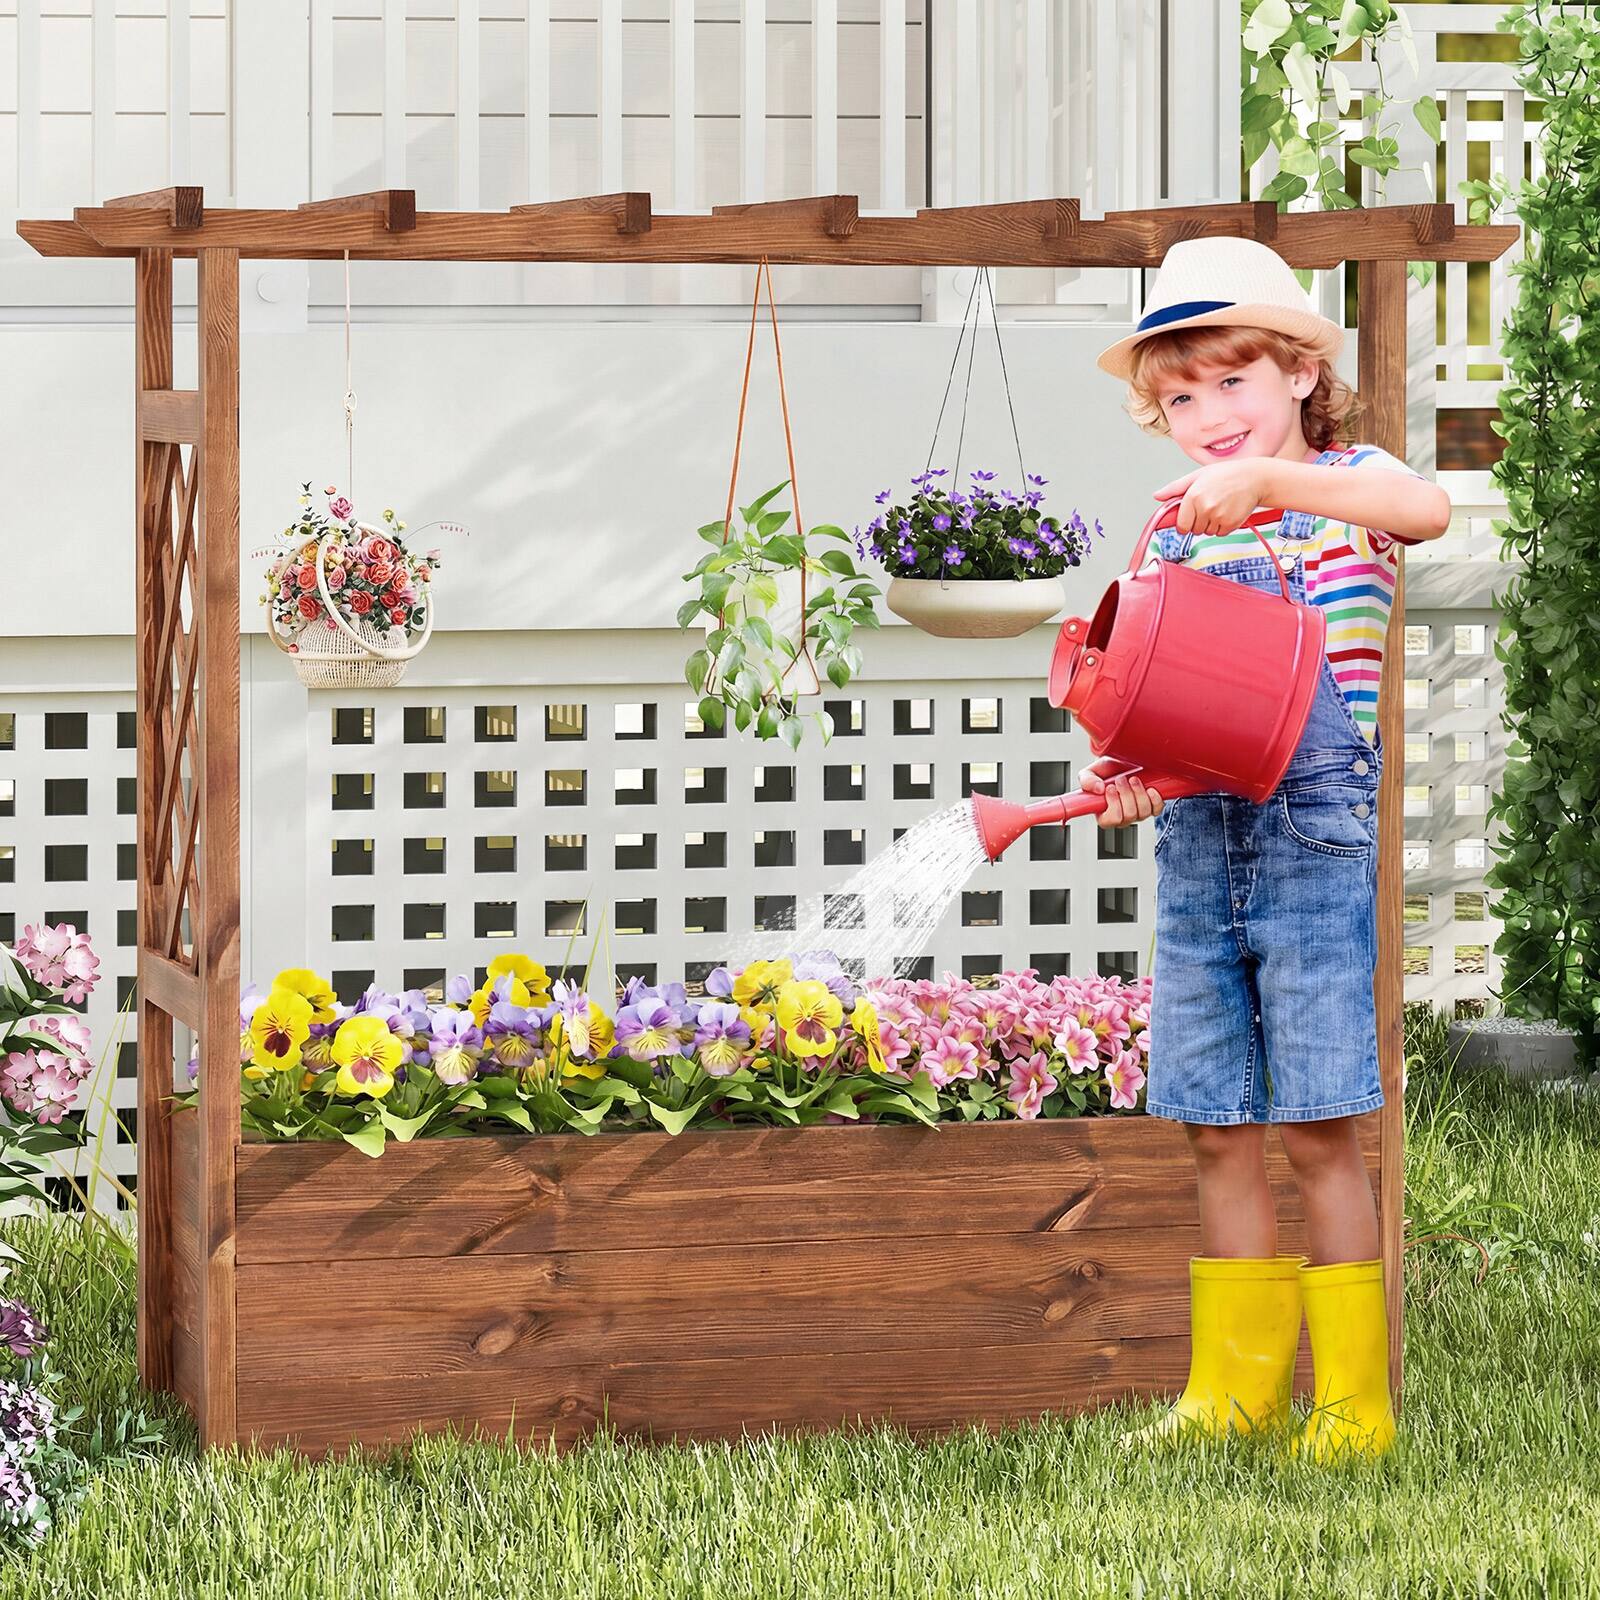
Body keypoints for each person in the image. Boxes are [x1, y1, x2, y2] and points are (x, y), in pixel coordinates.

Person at [1086, 237, 1451, 1459]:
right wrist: (1127, 775)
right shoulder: (1171, 536)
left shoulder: (1349, 484)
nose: (1205, 417)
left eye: (1230, 384)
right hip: (1200, 834)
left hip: (1309, 833)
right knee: (1216, 1120)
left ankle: (1351, 1405)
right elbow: (1149, 691)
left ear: (1300, 371)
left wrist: (1280, 489)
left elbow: (1426, 509)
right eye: (1180, 399)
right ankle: (1233, 1390)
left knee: (1316, 1123)